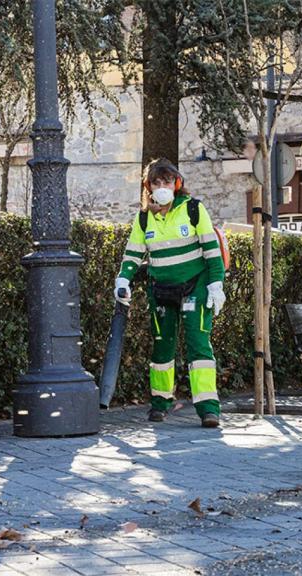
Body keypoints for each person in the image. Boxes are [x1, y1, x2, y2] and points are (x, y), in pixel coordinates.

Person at [113, 158, 226, 428]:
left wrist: (216, 283)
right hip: (161, 289)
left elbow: (211, 250)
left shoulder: (194, 210)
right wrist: (123, 279)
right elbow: (133, 253)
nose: (161, 187)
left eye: (166, 182)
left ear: (177, 184)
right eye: (156, 182)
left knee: (198, 345)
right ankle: (160, 404)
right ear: (148, 187)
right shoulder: (143, 218)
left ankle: (209, 409)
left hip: (194, 286)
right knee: (162, 345)